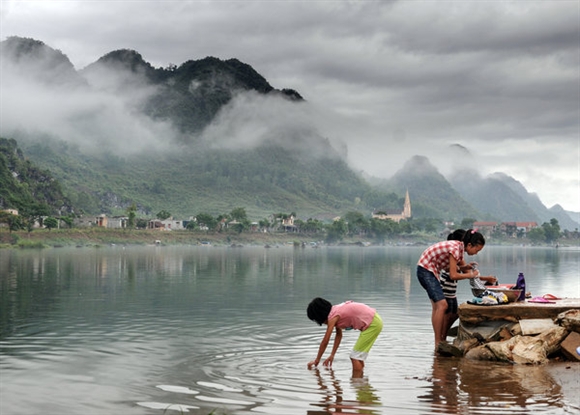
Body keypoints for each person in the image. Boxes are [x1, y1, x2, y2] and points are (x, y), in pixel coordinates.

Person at [417, 229, 486, 348]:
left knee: (438, 306)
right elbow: (453, 275)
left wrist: (466, 267)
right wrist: (470, 275)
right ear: (469, 245)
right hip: (425, 270)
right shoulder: (455, 249)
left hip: (430, 271)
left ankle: (440, 340)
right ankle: (438, 342)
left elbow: (454, 268)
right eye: (476, 250)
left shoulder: (459, 249)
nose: (475, 253)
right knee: (442, 305)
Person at [439, 229, 497, 341]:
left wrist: (485, 278)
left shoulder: (457, 256)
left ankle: (443, 336)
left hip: (452, 291)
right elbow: (466, 275)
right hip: (447, 289)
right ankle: (442, 336)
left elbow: (470, 274)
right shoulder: (455, 255)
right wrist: (481, 277)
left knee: (453, 313)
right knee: (450, 314)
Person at [307, 297, 383, 378]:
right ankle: (361, 381)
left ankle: (358, 381)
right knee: (358, 356)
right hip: (374, 321)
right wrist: (332, 355)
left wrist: (317, 360)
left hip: (372, 324)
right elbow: (339, 335)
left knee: (355, 356)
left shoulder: (333, 318)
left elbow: (325, 341)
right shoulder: (335, 311)